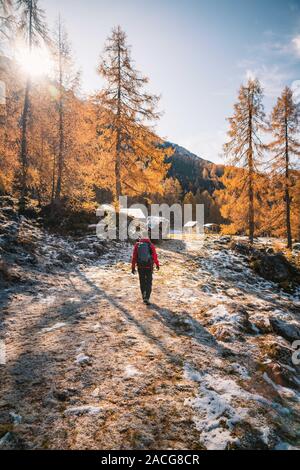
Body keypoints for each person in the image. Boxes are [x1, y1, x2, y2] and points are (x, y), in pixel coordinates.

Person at [131, 235, 160, 304]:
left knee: (142, 281)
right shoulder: (151, 245)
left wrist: (133, 267)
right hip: (149, 267)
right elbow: (155, 256)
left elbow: (134, 257)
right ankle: (147, 297)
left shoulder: (137, 245)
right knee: (149, 282)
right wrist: (157, 264)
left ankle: (143, 297)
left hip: (140, 267)